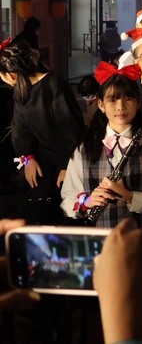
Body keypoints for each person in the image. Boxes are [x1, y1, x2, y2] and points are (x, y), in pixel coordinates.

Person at [60, 63, 142, 229]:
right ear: (101, 104)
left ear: (138, 103)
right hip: (99, 239)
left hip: (139, 237)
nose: (120, 107)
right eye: (112, 100)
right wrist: (87, 202)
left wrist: (129, 196)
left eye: (128, 99)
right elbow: (67, 199)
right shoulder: (85, 148)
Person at [0, 41, 85, 220]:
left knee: (65, 206)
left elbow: (69, 129)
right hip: (42, 155)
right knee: (38, 199)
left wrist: (65, 166)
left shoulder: (54, 85)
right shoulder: (21, 90)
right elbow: (20, 129)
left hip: (68, 156)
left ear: (11, 75)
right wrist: (28, 158)